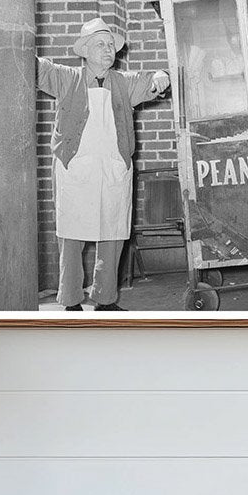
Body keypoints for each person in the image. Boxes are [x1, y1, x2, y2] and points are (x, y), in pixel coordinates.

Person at [36, 17, 171, 312]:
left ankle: (105, 299)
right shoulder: (66, 77)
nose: (108, 49)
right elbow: (36, 68)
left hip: (112, 171)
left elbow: (154, 80)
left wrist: (162, 76)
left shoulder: (124, 82)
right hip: (75, 171)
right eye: (101, 44)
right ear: (84, 50)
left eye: (111, 45)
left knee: (112, 236)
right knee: (70, 237)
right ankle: (71, 301)